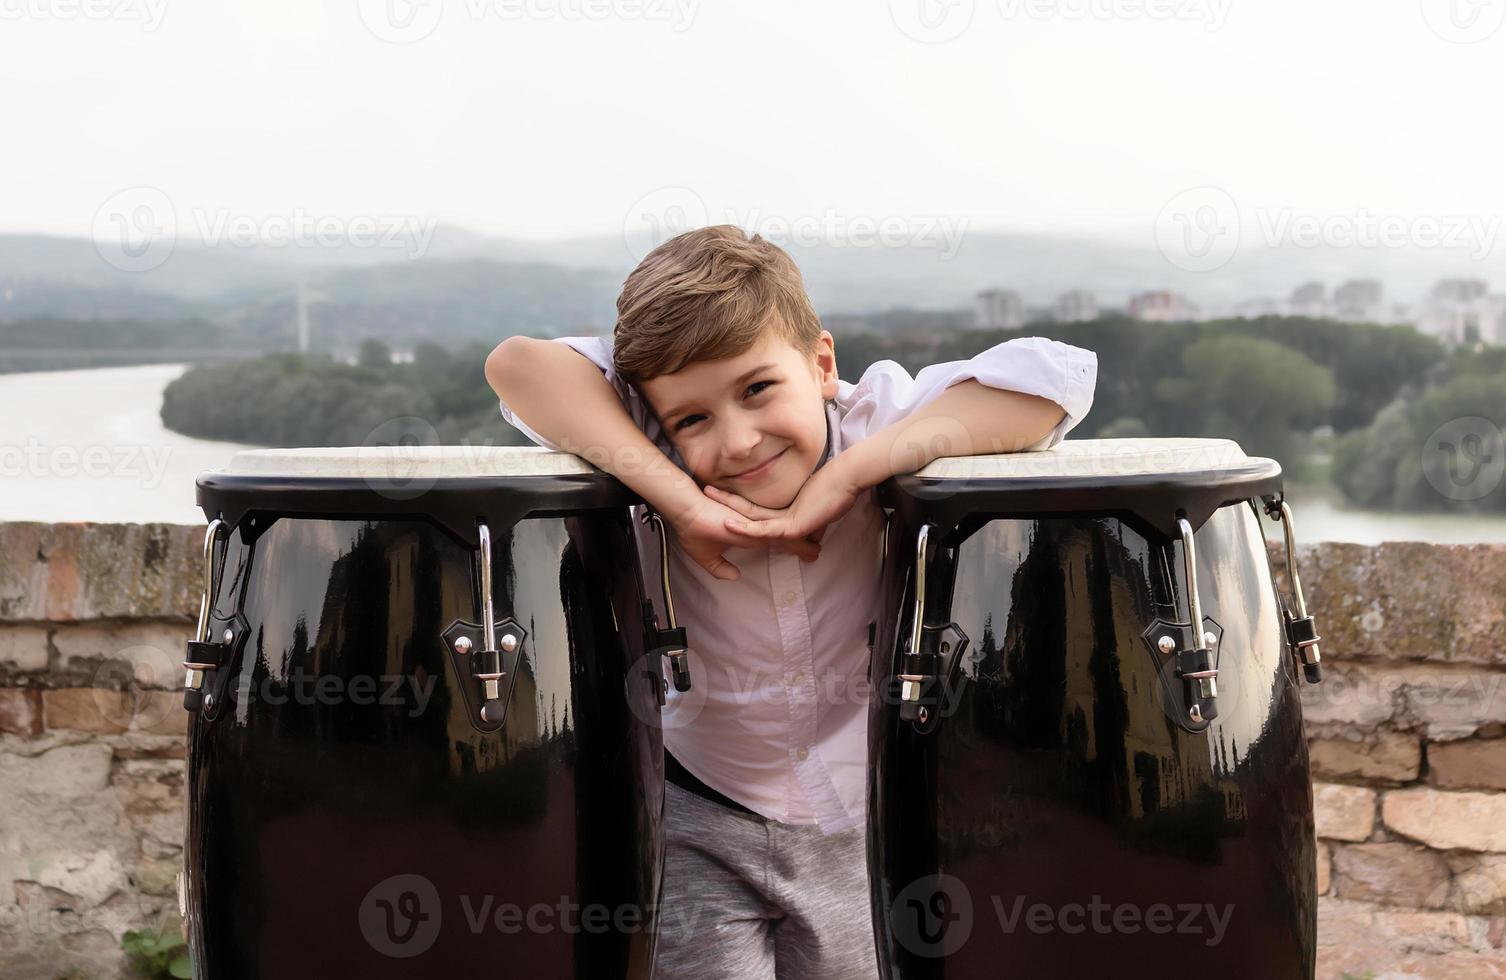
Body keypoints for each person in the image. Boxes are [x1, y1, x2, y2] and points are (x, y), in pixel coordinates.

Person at [485, 224, 1096, 979]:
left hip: (860, 822)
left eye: (757, 390)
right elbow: (515, 365)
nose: (737, 441)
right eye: (694, 419)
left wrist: (854, 476)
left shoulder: (874, 420)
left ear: (821, 363)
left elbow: (1054, 383)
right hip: (700, 816)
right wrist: (680, 499)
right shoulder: (651, 437)